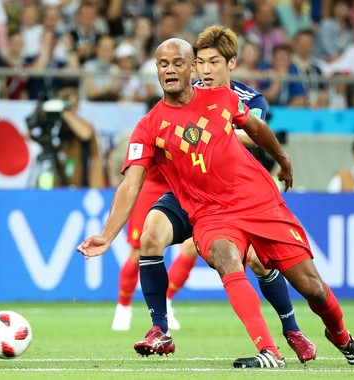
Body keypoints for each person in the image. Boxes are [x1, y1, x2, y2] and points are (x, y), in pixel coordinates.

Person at [78, 36, 354, 368]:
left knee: (313, 289)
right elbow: (130, 185)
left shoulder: (223, 98)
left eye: (178, 63)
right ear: (156, 71)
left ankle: (341, 337)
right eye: (163, 64)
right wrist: (107, 233)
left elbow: (257, 128)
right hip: (209, 212)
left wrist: (283, 159)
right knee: (224, 257)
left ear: (192, 68)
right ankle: (268, 351)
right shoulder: (148, 126)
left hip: (257, 201)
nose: (170, 70)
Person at [114, 26, 315, 366]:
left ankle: (291, 329)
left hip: (235, 190)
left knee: (257, 260)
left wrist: (216, 133)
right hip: (188, 188)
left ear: (230, 64)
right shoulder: (187, 92)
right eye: (202, 63)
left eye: (213, 62)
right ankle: (159, 329)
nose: (206, 71)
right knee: (150, 237)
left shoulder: (249, 100)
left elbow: (253, 134)